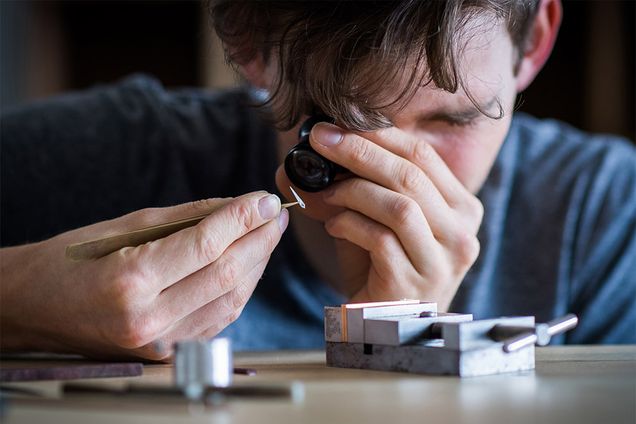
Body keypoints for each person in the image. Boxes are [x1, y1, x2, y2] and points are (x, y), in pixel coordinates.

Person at [1, 0, 634, 360]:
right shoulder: (116, 152)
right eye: (338, 121)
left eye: (452, 119)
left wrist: (418, 356)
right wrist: (17, 302)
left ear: (535, 43)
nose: (396, 181)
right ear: (254, 46)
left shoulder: (605, 219)